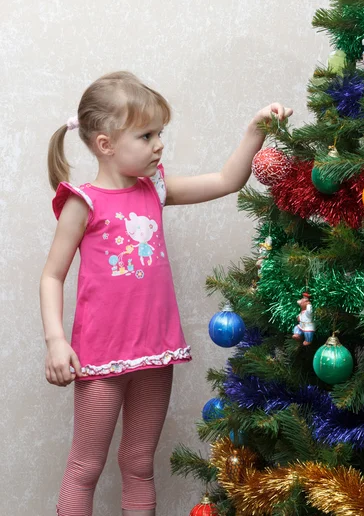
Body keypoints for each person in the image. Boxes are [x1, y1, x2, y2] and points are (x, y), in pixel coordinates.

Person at [40, 71, 292, 516]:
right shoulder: (83, 202)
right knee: (85, 466)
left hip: (157, 352)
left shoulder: (154, 190)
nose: (159, 144)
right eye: (147, 134)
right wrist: (56, 341)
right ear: (105, 144)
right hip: (100, 357)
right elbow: (52, 276)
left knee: (138, 464)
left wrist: (254, 132)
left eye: (160, 133)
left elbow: (226, 181)